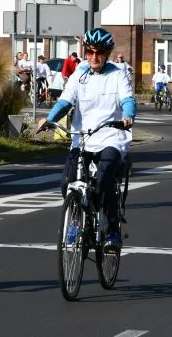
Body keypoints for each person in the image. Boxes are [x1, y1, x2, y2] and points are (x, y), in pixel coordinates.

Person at [38, 28, 136, 249]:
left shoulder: (117, 75)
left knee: (104, 180)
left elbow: (127, 100)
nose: (94, 56)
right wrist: (50, 119)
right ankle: (77, 221)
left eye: (99, 52)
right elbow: (65, 101)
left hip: (111, 137)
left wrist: (128, 116)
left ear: (107, 53)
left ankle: (112, 232)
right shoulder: (79, 74)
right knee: (67, 183)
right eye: (90, 51)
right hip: (83, 139)